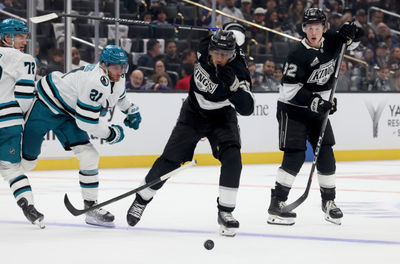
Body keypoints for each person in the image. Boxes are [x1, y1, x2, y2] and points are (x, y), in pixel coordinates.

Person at [126, 30, 254, 237]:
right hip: (193, 113)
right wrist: (215, 31)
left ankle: (226, 212)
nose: (219, 58)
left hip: (222, 117)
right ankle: (141, 200)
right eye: (216, 52)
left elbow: (248, 108)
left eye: (225, 54)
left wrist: (234, 88)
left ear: (232, 54)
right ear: (210, 49)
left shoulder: (238, 70)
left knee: (233, 158)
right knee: (169, 161)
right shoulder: (203, 48)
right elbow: (211, 34)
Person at [21, 45, 142, 227]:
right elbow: (86, 122)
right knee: (27, 163)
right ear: (103, 64)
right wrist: (111, 134)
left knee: (90, 155)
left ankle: (91, 207)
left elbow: (120, 95)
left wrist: (130, 110)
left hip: (68, 113)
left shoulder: (115, 74)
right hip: (45, 106)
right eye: (116, 67)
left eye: (123, 67)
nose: (120, 72)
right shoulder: (95, 81)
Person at [267, 8, 362, 226]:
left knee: (326, 151)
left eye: (317, 27)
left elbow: (355, 42)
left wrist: (354, 32)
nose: (313, 31)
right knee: (296, 155)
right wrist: (318, 102)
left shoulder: (332, 41)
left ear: (324, 28)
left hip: (317, 109)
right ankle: (277, 204)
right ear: (304, 29)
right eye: (309, 27)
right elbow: (289, 90)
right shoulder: (296, 54)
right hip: (292, 109)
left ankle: (329, 202)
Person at [0, 18, 44, 228]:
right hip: (8, 123)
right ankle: (29, 206)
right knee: (11, 169)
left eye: (25, 36)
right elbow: (25, 95)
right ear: (6, 37)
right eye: (19, 36)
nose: (24, 41)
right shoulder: (24, 59)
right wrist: (24, 115)